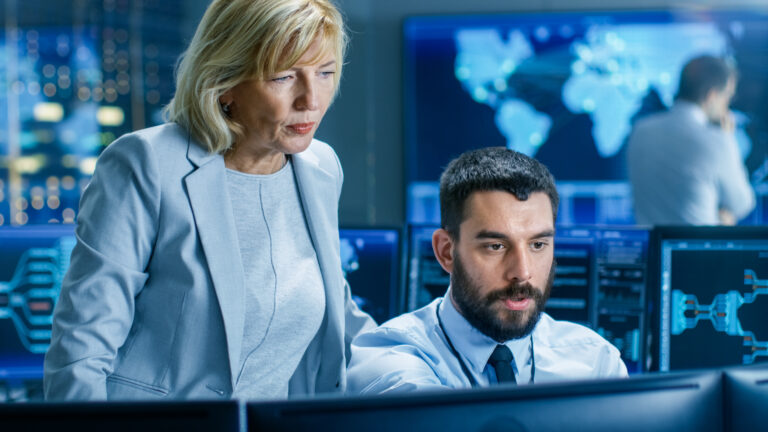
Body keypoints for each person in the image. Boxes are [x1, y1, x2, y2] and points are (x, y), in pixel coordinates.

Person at [44, 0, 374, 401]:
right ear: (225, 83)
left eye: (325, 73)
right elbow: (81, 352)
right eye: (283, 77)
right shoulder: (146, 164)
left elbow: (342, 322)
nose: (311, 100)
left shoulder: (321, 167)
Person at [347, 148, 626, 394]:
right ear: (446, 251)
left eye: (538, 244)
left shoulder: (595, 363)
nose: (522, 272)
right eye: (495, 246)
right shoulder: (391, 357)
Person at [627, 55, 755, 226]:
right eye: (727, 97)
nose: (727, 106)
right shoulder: (716, 140)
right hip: (697, 250)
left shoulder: (640, 131)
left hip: (649, 249)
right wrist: (727, 138)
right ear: (712, 95)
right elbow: (741, 204)